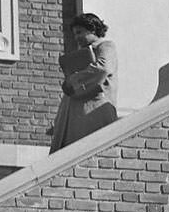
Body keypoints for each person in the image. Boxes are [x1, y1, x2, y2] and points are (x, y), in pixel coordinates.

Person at [49, 12, 118, 153]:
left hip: (94, 109)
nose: (77, 37)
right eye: (74, 34)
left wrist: (73, 81)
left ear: (92, 29)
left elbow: (103, 68)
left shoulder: (105, 46)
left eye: (80, 32)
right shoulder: (83, 51)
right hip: (74, 109)